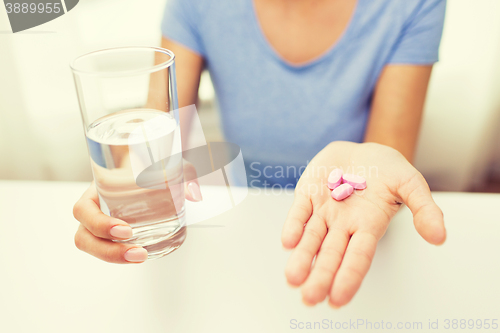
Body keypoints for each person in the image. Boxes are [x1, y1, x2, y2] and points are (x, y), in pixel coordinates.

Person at [72, 0, 447, 308]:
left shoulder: (411, 6)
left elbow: (386, 154)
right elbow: (157, 133)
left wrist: (371, 165)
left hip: (350, 236)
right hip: (241, 234)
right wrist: (126, 182)